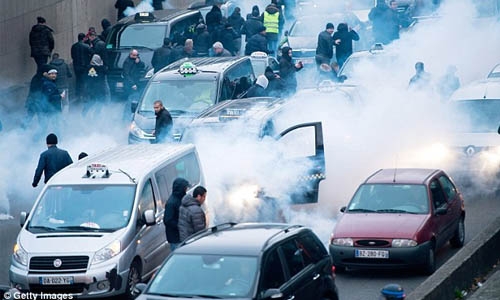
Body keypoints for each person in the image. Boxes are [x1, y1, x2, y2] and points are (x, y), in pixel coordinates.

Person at [163, 178, 190, 251]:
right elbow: (167, 220)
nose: (186, 190)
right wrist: (180, 225)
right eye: (185, 188)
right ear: (181, 189)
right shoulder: (171, 203)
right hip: (176, 238)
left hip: (182, 236)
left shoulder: (181, 198)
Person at [71, 33, 92, 105]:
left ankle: (78, 95)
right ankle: (85, 96)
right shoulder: (86, 46)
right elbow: (91, 53)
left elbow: (72, 56)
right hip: (84, 66)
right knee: (85, 81)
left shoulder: (74, 46)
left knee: (78, 81)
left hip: (76, 66)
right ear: (83, 38)